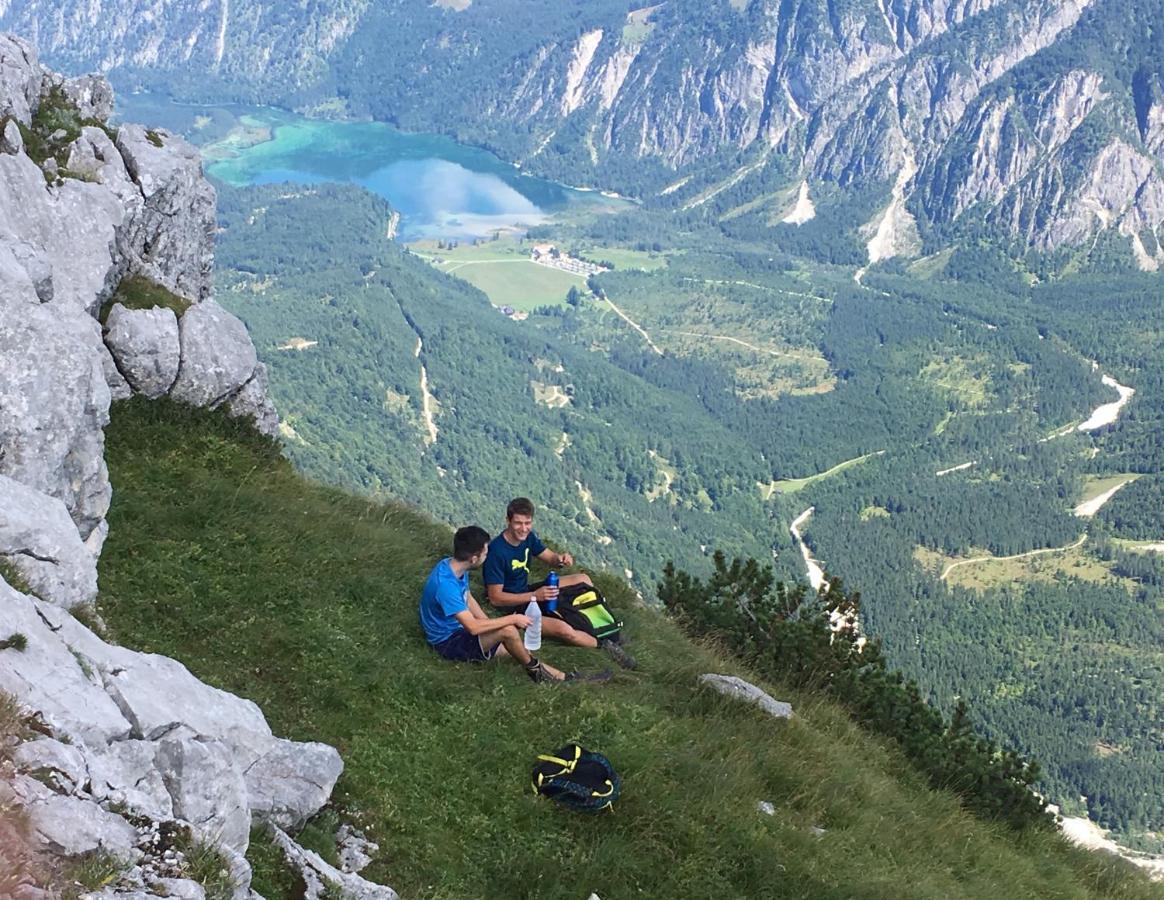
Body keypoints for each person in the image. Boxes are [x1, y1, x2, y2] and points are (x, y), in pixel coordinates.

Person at [483, 497, 635, 668]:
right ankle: (605, 645)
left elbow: (549, 557)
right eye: (518, 523)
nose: (523, 528)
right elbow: (496, 598)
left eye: (528, 523)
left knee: (583, 579)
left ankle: (603, 623)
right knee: (565, 630)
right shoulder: (496, 551)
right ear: (508, 521)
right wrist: (535, 596)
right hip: (513, 607)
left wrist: (560, 559)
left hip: (528, 591)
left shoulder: (528, 538)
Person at [420, 525, 565, 683]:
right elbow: (473, 628)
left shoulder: (452, 567)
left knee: (518, 649)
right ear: (474, 559)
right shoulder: (446, 587)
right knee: (509, 631)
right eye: (485, 553)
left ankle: (562, 678)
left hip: (458, 630)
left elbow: (467, 597)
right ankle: (536, 674)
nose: (487, 555)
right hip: (447, 642)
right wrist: (512, 619)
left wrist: (489, 623)